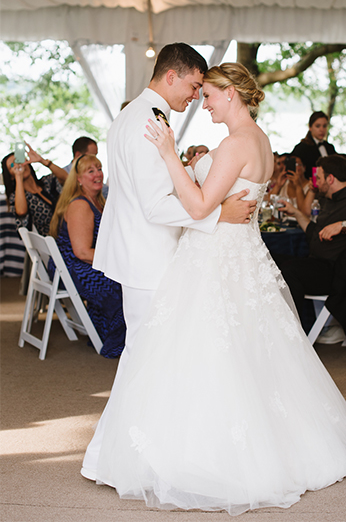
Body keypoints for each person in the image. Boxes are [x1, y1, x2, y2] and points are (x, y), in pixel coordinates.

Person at [93, 62, 346, 514]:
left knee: (204, 351)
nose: (203, 101)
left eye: (209, 94)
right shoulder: (259, 140)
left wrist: (172, 157)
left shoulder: (235, 144)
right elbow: (220, 190)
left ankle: (201, 454)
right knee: (244, 350)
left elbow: (197, 207)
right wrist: (200, 166)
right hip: (239, 255)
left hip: (216, 256)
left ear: (230, 93)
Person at [81, 43, 256, 481]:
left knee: (152, 356)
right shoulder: (149, 121)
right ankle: (115, 456)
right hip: (149, 257)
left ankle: (136, 451)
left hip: (139, 252)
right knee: (145, 357)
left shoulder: (134, 115)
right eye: (195, 86)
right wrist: (217, 215)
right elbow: (154, 206)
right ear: (172, 76)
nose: (196, 96)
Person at [277, 155, 346, 334]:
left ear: (330, 178)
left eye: (318, 178)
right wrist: (295, 212)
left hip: (337, 274)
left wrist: (344, 226)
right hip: (318, 262)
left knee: (289, 271)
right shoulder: (328, 199)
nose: (315, 182)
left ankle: (294, 336)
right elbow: (315, 232)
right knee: (271, 260)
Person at [49, 154, 125, 358]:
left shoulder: (98, 200)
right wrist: (120, 261)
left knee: (122, 276)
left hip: (77, 262)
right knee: (121, 284)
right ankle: (115, 344)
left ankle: (102, 334)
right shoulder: (80, 205)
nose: (98, 174)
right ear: (79, 179)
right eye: (90, 171)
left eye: (99, 168)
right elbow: (82, 252)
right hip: (71, 267)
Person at [2, 143, 67, 236]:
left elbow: (66, 179)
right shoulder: (19, 197)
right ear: (10, 176)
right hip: (54, 242)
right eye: (13, 165)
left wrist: (42, 161)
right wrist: (19, 177)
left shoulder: (46, 182)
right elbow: (21, 212)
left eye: (19, 160)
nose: (18, 165)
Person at [290, 111, 337, 179]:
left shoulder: (330, 147)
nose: (322, 129)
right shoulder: (301, 148)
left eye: (324, 126)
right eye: (318, 126)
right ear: (310, 127)